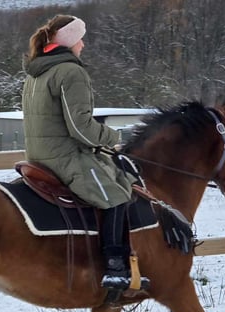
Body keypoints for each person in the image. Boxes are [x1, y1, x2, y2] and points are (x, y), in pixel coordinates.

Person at [21, 14, 146, 294]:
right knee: (117, 195)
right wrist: (113, 137)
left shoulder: (35, 72)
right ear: (68, 42)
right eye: (80, 39)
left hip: (38, 155)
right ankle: (115, 267)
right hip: (65, 157)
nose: (83, 45)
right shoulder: (70, 71)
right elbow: (80, 127)